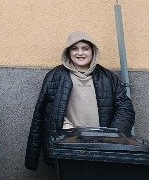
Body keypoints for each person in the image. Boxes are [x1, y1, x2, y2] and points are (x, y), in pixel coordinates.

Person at [25, 30, 135, 171]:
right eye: (74, 49)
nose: (80, 53)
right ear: (68, 52)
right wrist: (65, 128)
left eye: (85, 48)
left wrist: (111, 136)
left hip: (102, 148)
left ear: (93, 51)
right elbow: (43, 112)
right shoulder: (55, 76)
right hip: (68, 147)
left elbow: (125, 109)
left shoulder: (108, 78)